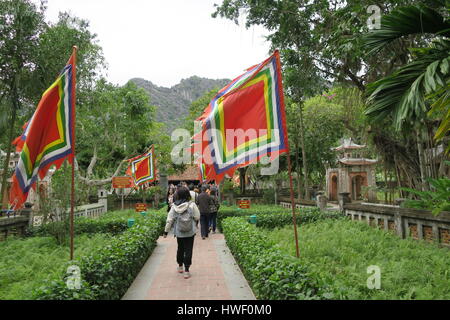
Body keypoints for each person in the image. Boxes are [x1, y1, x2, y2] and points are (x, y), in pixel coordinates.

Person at [163, 186, 200, 279]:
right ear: (187, 195)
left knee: (180, 248)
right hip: (190, 231)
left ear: (178, 195)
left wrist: (166, 231)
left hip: (179, 232)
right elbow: (197, 217)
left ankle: (180, 266)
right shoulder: (192, 205)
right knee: (188, 249)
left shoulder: (174, 206)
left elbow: (169, 220)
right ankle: (187, 270)